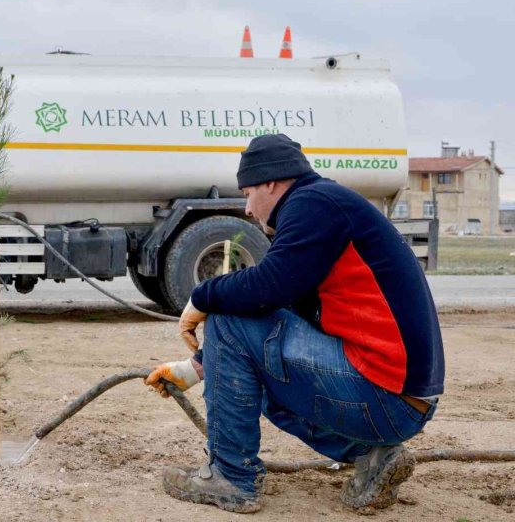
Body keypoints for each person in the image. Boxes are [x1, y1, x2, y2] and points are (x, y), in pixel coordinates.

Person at [146, 133, 444, 513]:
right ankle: (372, 456)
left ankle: (230, 478)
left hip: (383, 393)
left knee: (225, 315)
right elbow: (288, 307)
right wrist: (193, 368)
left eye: (249, 193)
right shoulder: (324, 206)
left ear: (271, 181)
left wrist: (202, 298)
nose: (249, 210)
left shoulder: (312, 204)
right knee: (260, 379)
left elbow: (267, 288)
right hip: (401, 403)